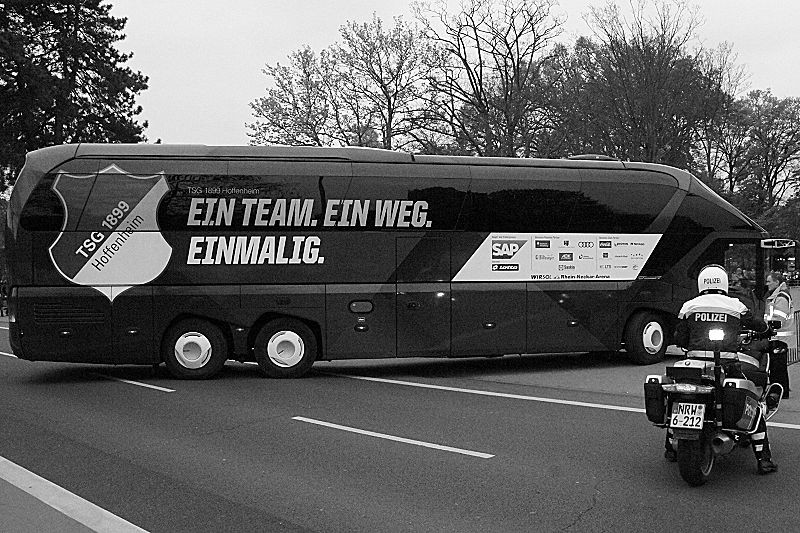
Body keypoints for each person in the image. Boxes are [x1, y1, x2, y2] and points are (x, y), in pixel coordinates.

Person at [667, 264, 778, 475]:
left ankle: (670, 448)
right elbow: (757, 325)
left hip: (694, 366)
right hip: (727, 365)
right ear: (724, 282)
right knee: (752, 402)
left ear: (701, 283)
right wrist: (766, 330)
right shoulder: (735, 305)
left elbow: (679, 338)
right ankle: (764, 460)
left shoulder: (689, 306)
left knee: (679, 397)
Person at [765, 271, 793, 398]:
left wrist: (767, 327)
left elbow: (779, 318)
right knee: (778, 366)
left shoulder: (781, 297)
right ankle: (780, 391)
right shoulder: (778, 295)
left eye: (769, 281)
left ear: (777, 282)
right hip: (778, 336)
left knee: (777, 367)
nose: (767, 284)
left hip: (778, 336)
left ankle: (779, 392)